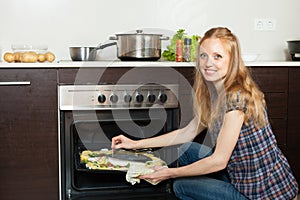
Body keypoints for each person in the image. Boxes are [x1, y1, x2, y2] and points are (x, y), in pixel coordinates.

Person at [111, 27, 299, 199]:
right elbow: (187, 132)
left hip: (261, 193)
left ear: (232, 60)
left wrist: (169, 173)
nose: (208, 63)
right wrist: (135, 144)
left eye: (218, 56)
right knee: (184, 149)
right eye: (203, 55)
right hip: (239, 176)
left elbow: (218, 161)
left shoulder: (236, 98)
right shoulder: (214, 94)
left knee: (180, 186)